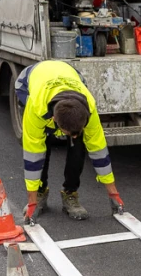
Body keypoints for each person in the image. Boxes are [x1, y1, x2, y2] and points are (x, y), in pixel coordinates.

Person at [15, 60, 123, 220]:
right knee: (41, 145)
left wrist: (113, 193)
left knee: (78, 144)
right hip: (28, 82)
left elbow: (99, 151)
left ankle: (70, 193)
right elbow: (32, 156)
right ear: (54, 120)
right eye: (68, 132)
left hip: (71, 76)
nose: (71, 135)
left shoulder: (89, 108)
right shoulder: (36, 108)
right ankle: (40, 194)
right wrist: (31, 202)